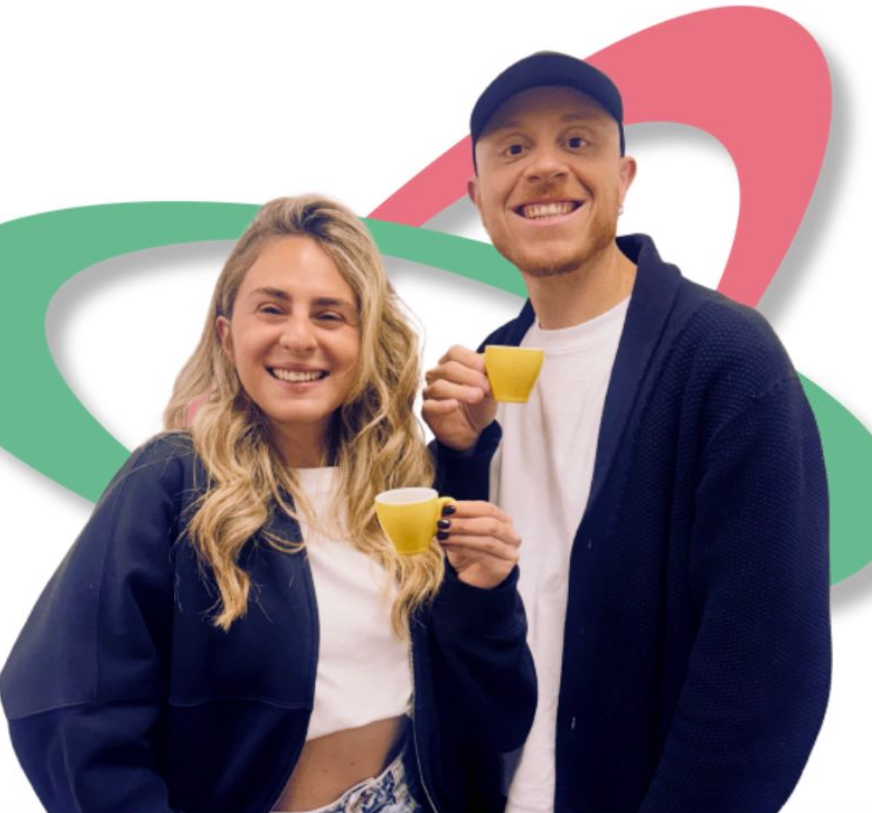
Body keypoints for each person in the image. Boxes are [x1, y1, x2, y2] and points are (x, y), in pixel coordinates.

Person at [0, 195, 536, 813]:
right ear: (228, 335)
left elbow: (495, 723)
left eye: (330, 315)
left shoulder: (406, 490)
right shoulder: (171, 480)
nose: (299, 338)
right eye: (272, 309)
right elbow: (63, 703)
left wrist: (485, 597)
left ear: (366, 339)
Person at [423, 52, 831, 813]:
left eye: (577, 141)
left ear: (624, 176)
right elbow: (467, 612)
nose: (546, 167)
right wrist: (459, 456)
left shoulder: (725, 358)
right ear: (478, 196)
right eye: (514, 148)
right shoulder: (487, 370)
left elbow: (765, 665)